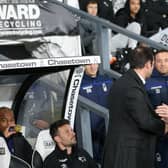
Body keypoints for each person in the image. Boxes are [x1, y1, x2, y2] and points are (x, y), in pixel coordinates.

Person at [102, 46, 167, 168]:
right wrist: (165, 126)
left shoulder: (124, 81)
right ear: (148, 64)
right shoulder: (132, 88)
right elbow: (145, 121)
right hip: (127, 156)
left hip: (121, 151)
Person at [79, 63, 113, 163]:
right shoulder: (79, 84)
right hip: (89, 133)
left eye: (95, 64)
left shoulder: (107, 80)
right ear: (83, 66)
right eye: (89, 64)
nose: (93, 67)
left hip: (107, 129)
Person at [146, 50, 168, 168]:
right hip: (157, 134)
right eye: (159, 61)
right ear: (154, 63)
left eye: (166, 60)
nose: (163, 64)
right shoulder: (147, 82)